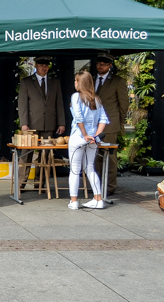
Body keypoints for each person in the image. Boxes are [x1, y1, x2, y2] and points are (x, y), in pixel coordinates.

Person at [17, 56, 65, 184]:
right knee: (26, 153)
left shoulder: (54, 82)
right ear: (36, 65)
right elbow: (22, 104)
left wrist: (61, 122)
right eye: (41, 65)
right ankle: (21, 182)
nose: (44, 67)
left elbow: (59, 103)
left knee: (46, 154)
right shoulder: (27, 82)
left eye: (46, 65)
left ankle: (40, 182)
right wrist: (24, 123)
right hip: (31, 123)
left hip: (49, 123)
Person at [67, 71, 109, 210]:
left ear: (80, 83)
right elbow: (103, 119)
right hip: (93, 140)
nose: (74, 83)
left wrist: (85, 135)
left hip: (78, 137)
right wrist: (95, 136)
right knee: (90, 168)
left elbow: (79, 118)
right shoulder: (96, 99)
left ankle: (74, 201)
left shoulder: (76, 97)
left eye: (75, 81)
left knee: (74, 170)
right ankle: (98, 199)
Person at [93, 53, 128, 199]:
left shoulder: (117, 81)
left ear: (110, 66)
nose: (100, 66)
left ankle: (110, 186)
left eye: (104, 64)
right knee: (95, 157)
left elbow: (124, 104)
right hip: (93, 124)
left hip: (109, 124)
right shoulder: (91, 80)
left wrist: (118, 122)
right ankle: (97, 184)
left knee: (110, 157)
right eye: (99, 63)